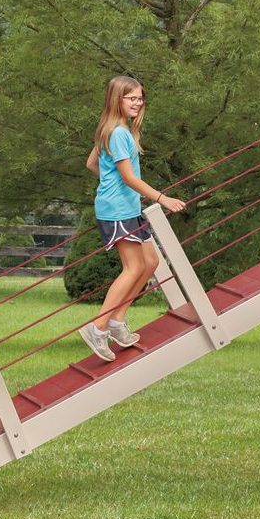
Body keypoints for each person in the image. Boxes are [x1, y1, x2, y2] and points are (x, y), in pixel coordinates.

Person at [79, 76, 185, 362]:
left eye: (140, 98)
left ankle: (116, 322)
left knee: (150, 262)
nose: (138, 102)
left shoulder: (113, 129)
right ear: (117, 99)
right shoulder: (118, 133)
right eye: (132, 98)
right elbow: (128, 177)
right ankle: (97, 328)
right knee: (133, 267)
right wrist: (162, 198)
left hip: (127, 207)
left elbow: (92, 163)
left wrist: (110, 184)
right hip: (117, 211)